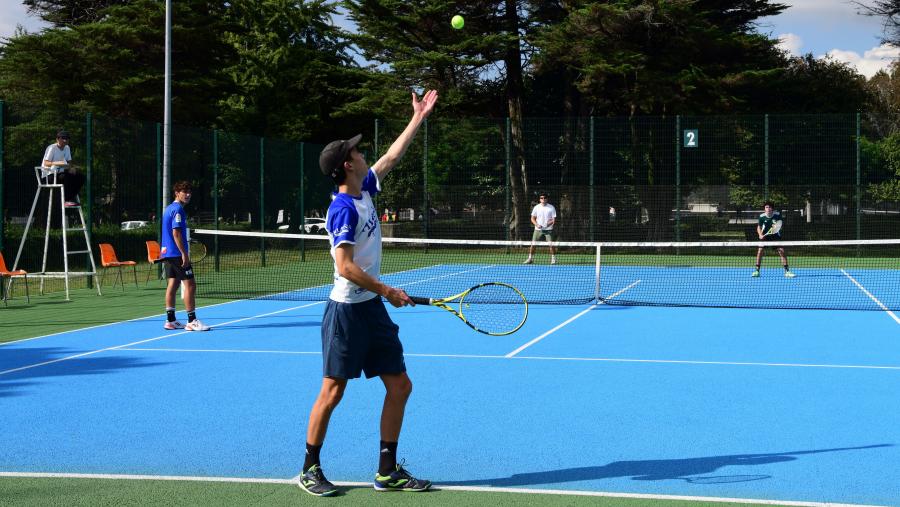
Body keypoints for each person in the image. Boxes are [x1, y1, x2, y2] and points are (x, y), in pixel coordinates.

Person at [298, 89, 438, 497]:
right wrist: (387, 289)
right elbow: (343, 266)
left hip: (371, 309)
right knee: (333, 390)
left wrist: (418, 117)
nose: (364, 154)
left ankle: (387, 471)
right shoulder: (342, 208)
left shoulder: (365, 190)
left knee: (400, 386)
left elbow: (391, 158)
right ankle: (309, 468)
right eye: (357, 152)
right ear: (347, 164)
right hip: (346, 312)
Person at [159, 181, 211, 331]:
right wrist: (184, 254)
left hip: (167, 253)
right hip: (176, 254)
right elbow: (176, 233)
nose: (187, 194)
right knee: (190, 285)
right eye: (184, 191)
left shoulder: (168, 209)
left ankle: (170, 320)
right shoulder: (178, 210)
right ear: (177, 193)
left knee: (173, 285)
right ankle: (192, 320)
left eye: (189, 192)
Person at [41, 130, 85, 207]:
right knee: (65, 177)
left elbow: (69, 162)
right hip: (49, 176)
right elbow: (46, 163)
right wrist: (57, 163)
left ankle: (68, 199)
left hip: (60, 174)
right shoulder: (52, 148)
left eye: (67, 138)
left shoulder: (67, 148)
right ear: (57, 139)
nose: (65, 140)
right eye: (63, 138)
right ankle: (64, 200)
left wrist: (71, 168)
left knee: (80, 177)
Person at [752, 201, 796, 278]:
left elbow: (780, 225)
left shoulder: (777, 215)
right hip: (765, 236)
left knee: (782, 251)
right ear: (764, 209)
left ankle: (787, 271)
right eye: (766, 207)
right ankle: (757, 271)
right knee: (760, 251)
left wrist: (774, 229)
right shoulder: (762, 216)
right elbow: (759, 227)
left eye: (769, 207)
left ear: (772, 208)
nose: (768, 208)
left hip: (775, 236)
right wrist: (760, 234)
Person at [524, 193, 557, 265]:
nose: (543, 199)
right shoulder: (536, 207)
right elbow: (532, 218)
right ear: (539, 199)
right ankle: (530, 259)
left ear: (547, 199)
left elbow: (554, 220)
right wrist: (537, 224)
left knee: (551, 245)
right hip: (537, 230)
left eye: (544, 198)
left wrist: (547, 224)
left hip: (548, 230)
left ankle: (553, 259)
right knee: (533, 245)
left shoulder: (551, 207)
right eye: (541, 198)